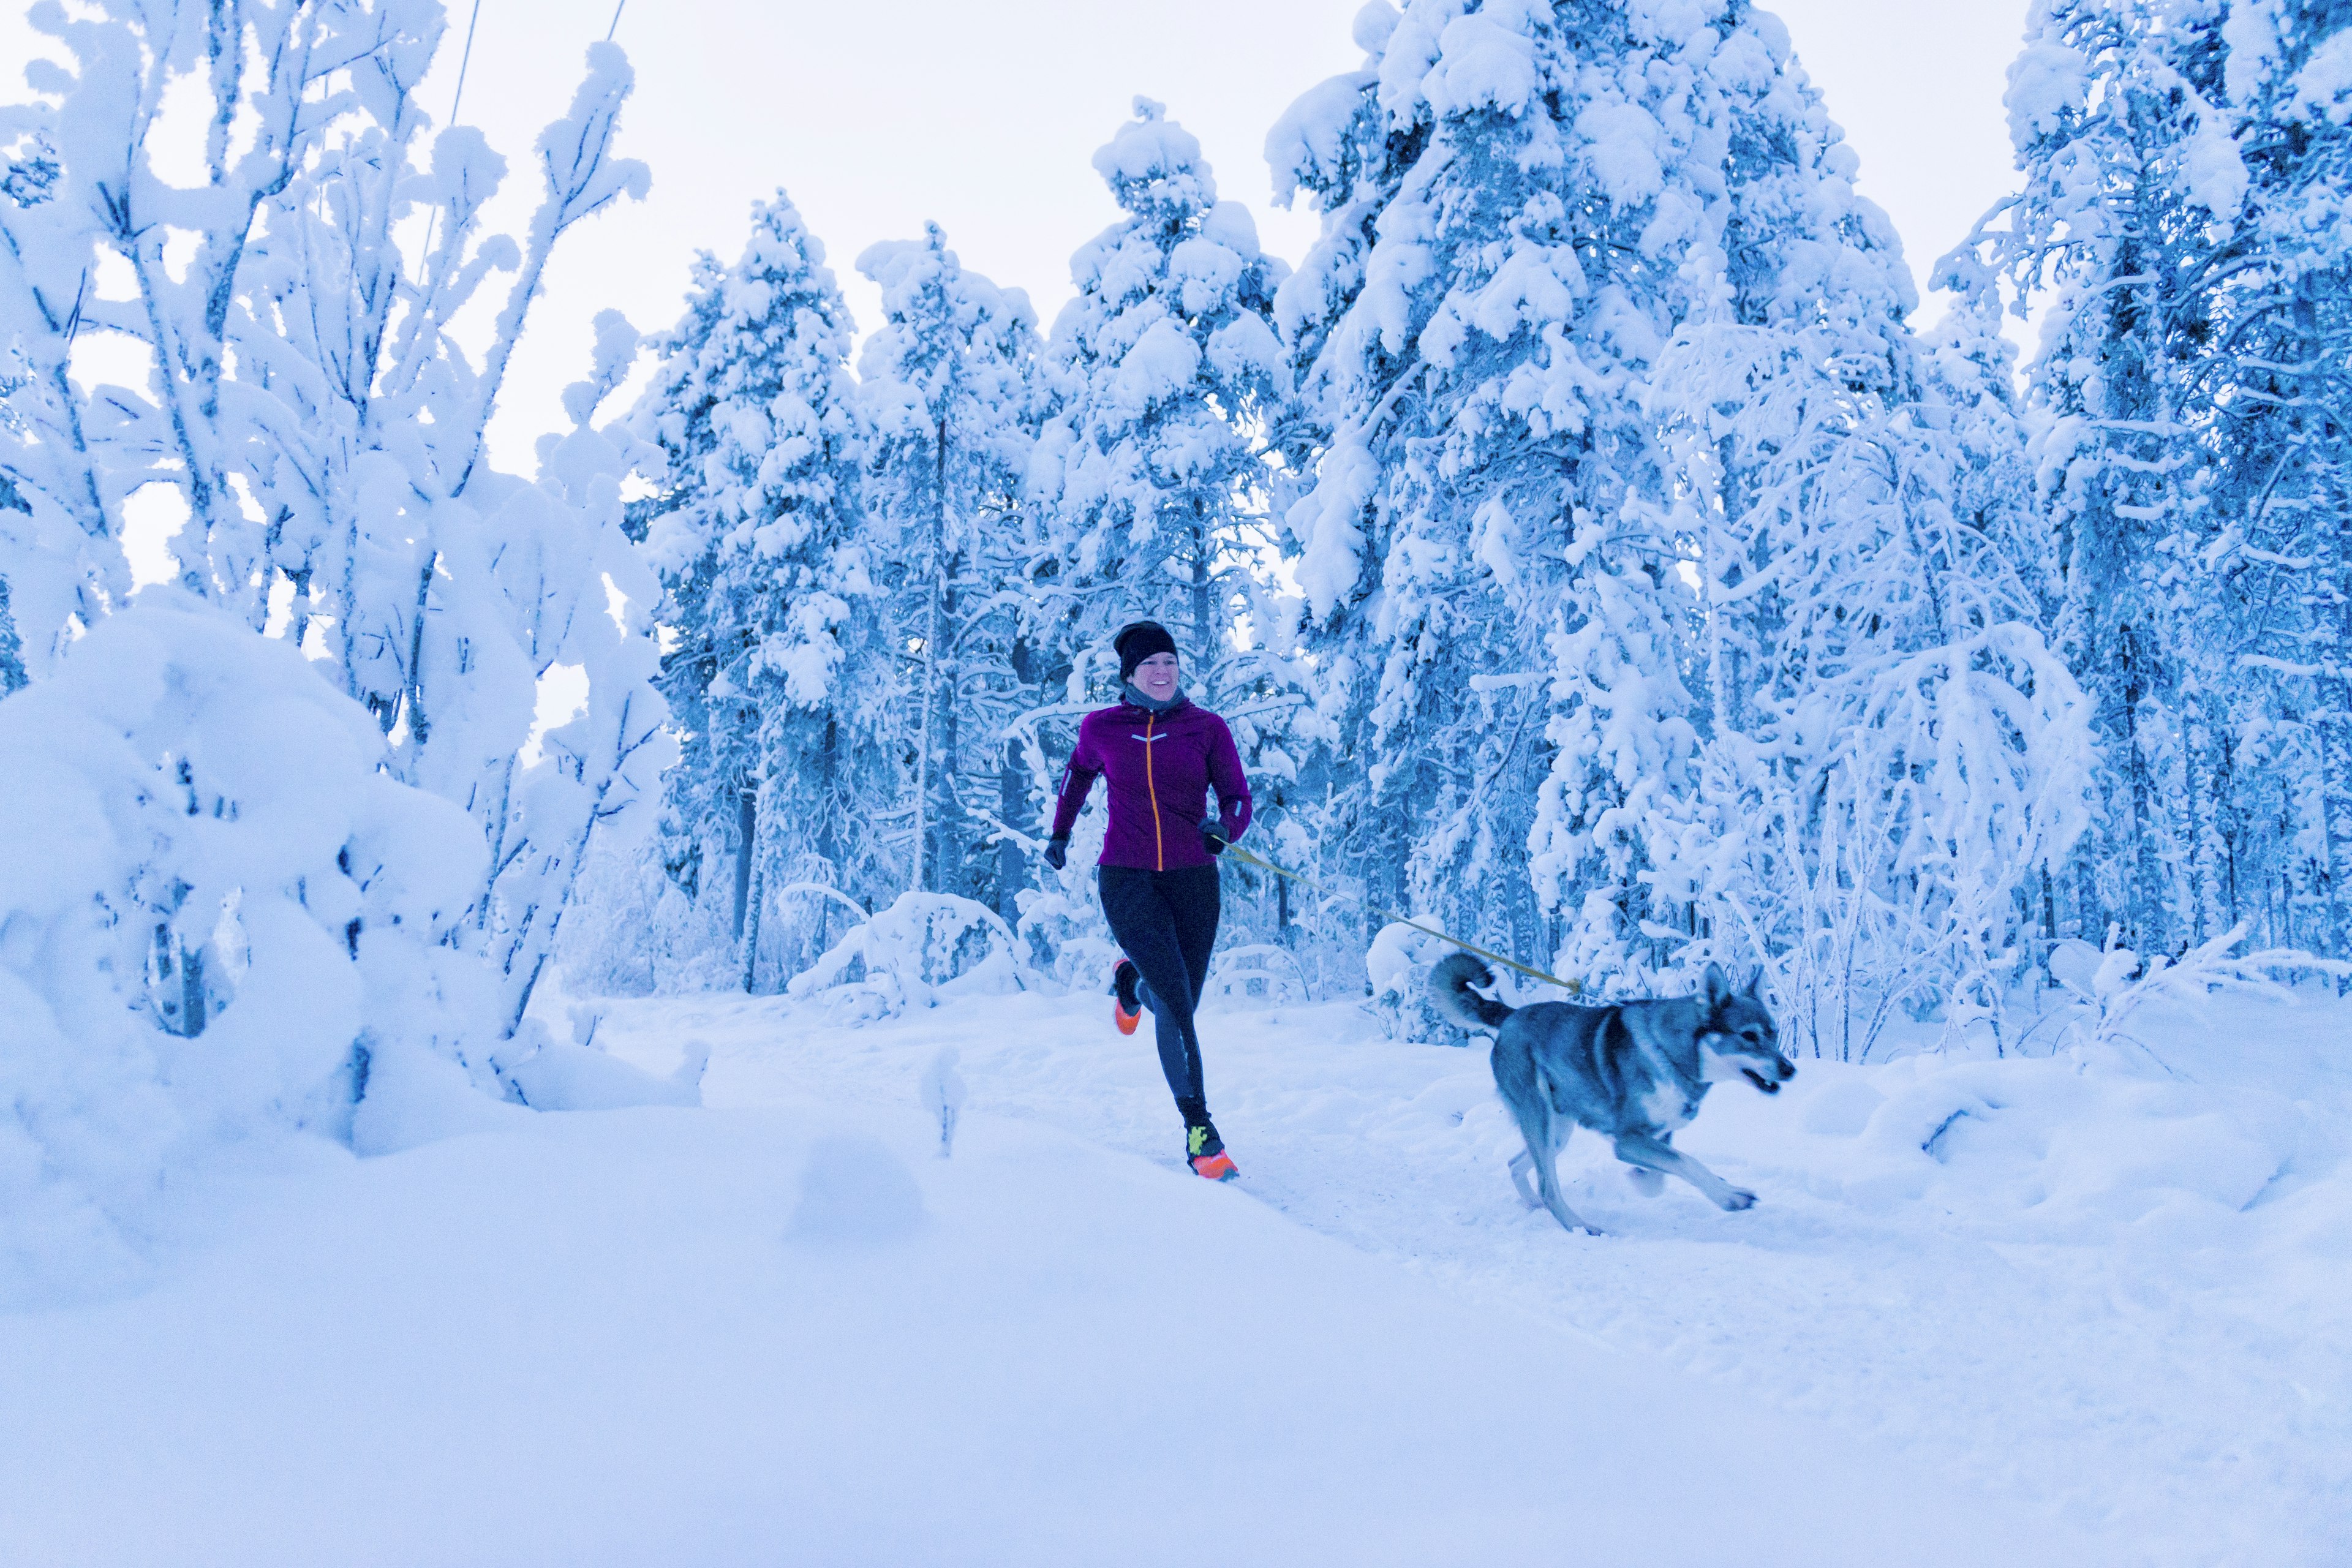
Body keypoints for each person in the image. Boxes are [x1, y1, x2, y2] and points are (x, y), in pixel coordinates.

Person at [1044, 621, 1252, 1181]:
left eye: (1170, 662)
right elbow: (1077, 777)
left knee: (1179, 1000)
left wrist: (1225, 829)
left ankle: (1131, 983)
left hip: (1193, 880)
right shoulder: (1102, 728)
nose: (1162, 673)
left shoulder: (1206, 729)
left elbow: (1236, 796)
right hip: (1127, 878)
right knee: (1179, 1009)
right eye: (1149, 665)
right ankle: (1200, 1131)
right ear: (1129, 675)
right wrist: (1060, 833)